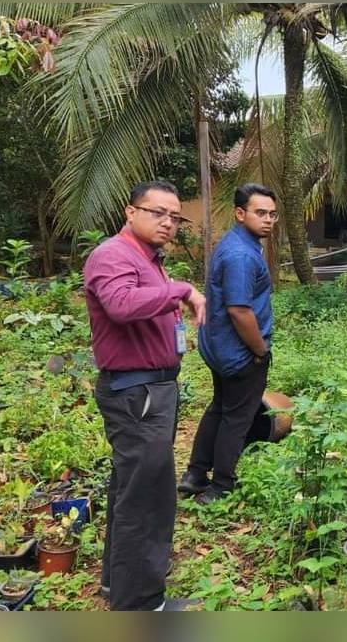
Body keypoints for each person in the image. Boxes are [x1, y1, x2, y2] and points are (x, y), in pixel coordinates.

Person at [83, 180, 206, 611]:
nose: (168, 222)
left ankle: (120, 587)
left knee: (131, 489)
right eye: (158, 212)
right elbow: (120, 303)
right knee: (148, 496)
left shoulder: (147, 259)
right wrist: (182, 290)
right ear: (129, 211)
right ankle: (139, 607)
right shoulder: (112, 255)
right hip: (137, 394)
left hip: (150, 389)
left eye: (175, 216)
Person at [179, 183, 277, 504]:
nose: (268, 220)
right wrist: (260, 350)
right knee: (238, 418)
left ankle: (195, 474)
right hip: (240, 354)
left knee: (220, 408)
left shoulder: (237, 243)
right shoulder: (241, 255)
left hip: (219, 349)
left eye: (272, 214)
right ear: (240, 213)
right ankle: (220, 486)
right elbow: (239, 310)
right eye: (260, 213)